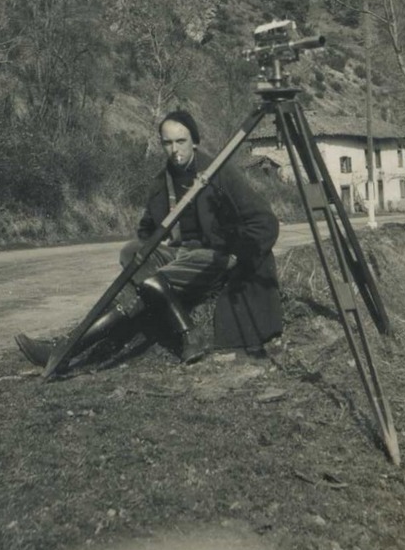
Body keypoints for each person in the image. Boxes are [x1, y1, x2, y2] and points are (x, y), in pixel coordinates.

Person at [15, 109, 283, 369]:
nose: (174, 150)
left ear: (195, 142)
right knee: (132, 251)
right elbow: (147, 229)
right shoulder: (162, 182)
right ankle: (179, 326)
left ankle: (63, 349)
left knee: (138, 288)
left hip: (212, 257)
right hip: (178, 256)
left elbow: (264, 221)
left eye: (181, 141)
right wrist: (160, 240)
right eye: (167, 143)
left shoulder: (218, 173)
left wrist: (237, 256)